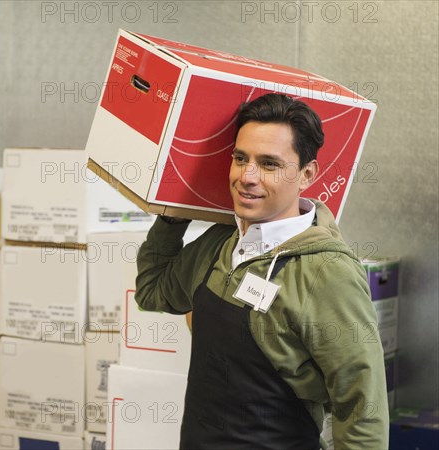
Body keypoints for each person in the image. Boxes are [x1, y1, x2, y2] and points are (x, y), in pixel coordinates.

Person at [135, 93, 389, 449]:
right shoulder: (220, 243)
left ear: (307, 174)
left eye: (269, 164)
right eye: (240, 158)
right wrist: (172, 212)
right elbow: (151, 292)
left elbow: (362, 407)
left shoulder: (327, 272)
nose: (247, 177)